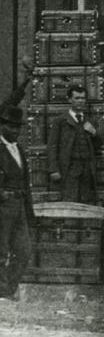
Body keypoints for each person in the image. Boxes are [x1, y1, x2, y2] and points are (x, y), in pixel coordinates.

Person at [0, 105, 33, 301]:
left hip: (19, 206)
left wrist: (29, 211)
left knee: (24, 250)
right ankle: (3, 291)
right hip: (2, 207)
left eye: (18, 127)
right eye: (11, 127)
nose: (15, 131)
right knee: (1, 252)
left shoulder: (19, 148)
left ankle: (6, 288)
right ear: (1, 126)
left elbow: (25, 182)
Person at [47, 84, 98, 203]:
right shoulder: (60, 121)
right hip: (69, 168)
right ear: (69, 99)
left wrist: (94, 133)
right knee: (70, 200)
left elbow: (98, 145)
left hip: (87, 168)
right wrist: (53, 169)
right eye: (77, 98)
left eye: (83, 98)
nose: (80, 101)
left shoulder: (90, 120)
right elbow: (52, 146)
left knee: (87, 201)